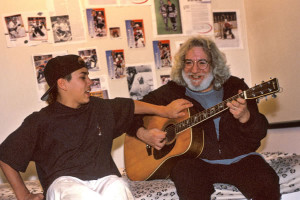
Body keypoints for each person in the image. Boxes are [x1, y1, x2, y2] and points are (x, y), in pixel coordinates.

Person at [0, 55, 193, 200]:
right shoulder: (40, 121)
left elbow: (132, 106)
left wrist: (164, 111)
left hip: (105, 179)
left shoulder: (100, 108)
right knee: (79, 195)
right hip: (64, 185)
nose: (90, 82)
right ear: (62, 84)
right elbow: (6, 156)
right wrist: (24, 195)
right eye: (83, 77)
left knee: (119, 186)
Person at [127, 36, 280, 200]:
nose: (194, 70)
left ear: (214, 65)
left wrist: (246, 117)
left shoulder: (235, 88)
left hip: (240, 159)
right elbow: (128, 112)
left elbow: (258, 134)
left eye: (202, 62)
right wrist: (145, 134)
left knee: (267, 181)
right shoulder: (171, 92)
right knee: (185, 174)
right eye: (188, 63)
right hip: (196, 162)